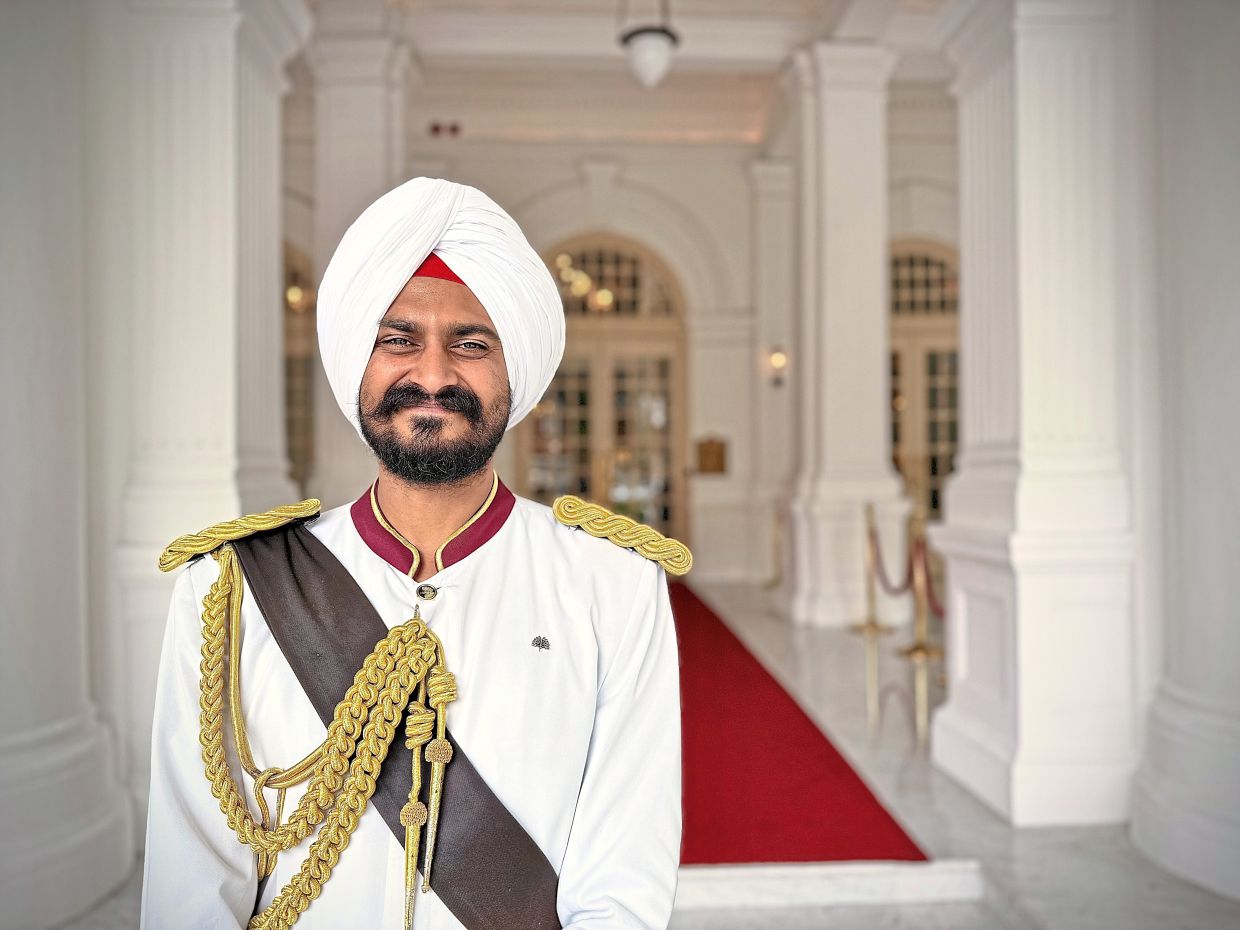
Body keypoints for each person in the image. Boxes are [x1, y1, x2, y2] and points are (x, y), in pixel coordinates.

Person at [140, 177, 690, 930]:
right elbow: (191, 882)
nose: (432, 375)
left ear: (512, 372)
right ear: (357, 364)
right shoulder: (231, 587)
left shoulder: (613, 584)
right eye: (398, 340)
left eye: (471, 344)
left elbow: (622, 882)